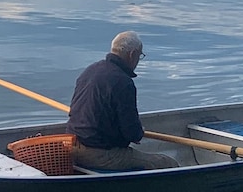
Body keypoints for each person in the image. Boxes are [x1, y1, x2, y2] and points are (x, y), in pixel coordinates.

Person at [66, 31, 180, 171]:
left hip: (72, 146)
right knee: (167, 163)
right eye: (140, 56)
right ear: (132, 54)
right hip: (99, 154)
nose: (138, 60)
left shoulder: (90, 71)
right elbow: (132, 133)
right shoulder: (123, 82)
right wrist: (139, 132)